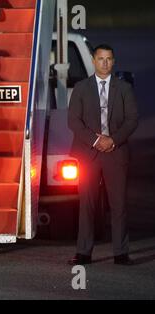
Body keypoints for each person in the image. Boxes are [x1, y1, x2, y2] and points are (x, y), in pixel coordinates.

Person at [67, 44, 138, 266]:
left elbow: (132, 120)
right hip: (89, 153)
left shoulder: (124, 88)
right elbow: (73, 121)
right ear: (93, 60)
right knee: (87, 203)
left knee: (118, 205)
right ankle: (84, 253)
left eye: (108, 59)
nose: (104, 63)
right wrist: (97, 140)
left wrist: (112, 140)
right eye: (100, 59)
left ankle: (120, 253)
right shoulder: (81, 88)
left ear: (114, 61)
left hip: (116, 152)